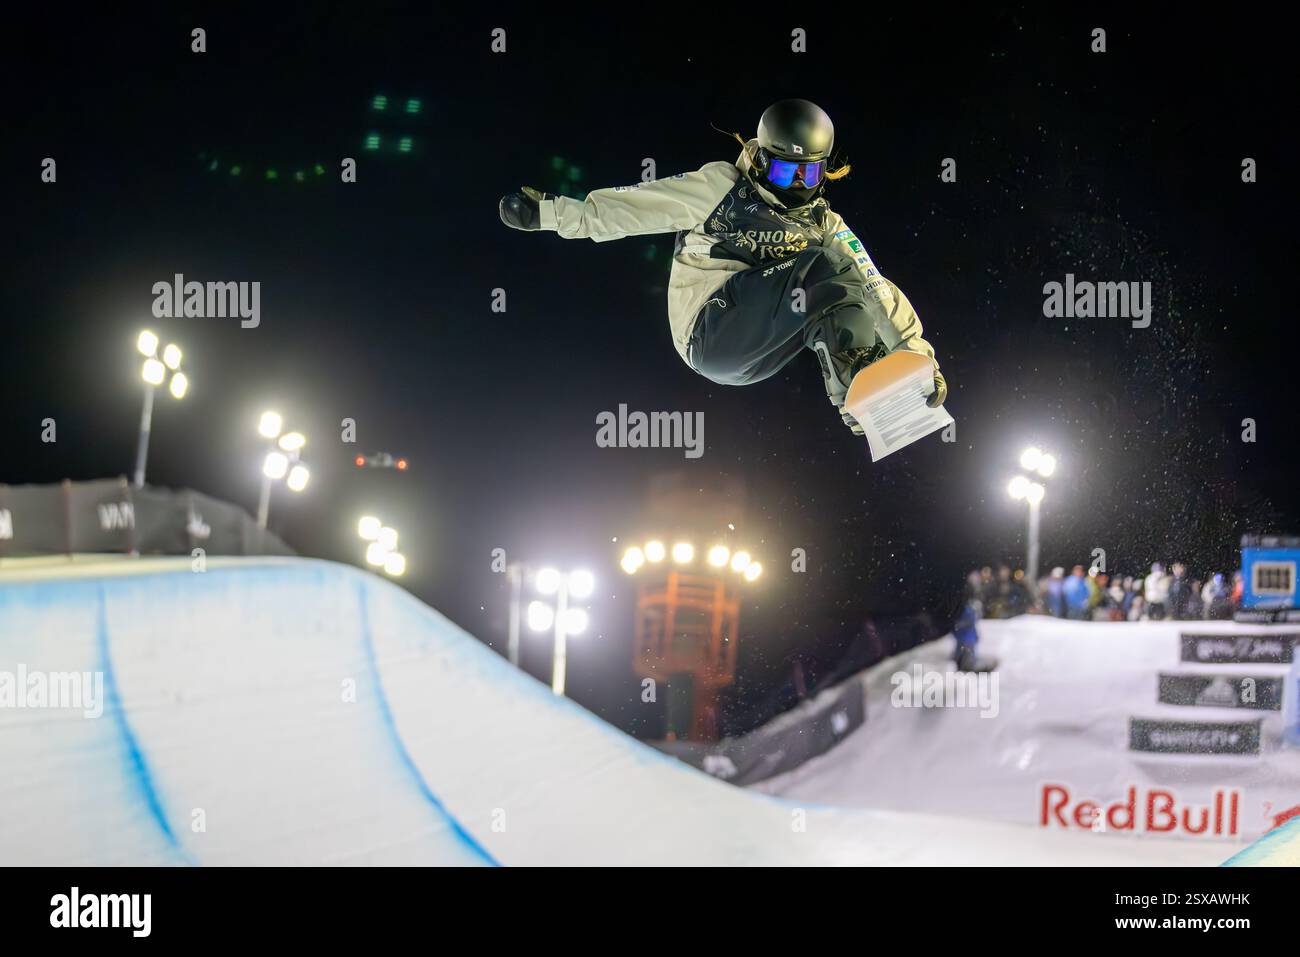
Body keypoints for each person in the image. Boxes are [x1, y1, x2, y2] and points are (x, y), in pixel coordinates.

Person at [499, 99, 948, 435]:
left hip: (752, 355)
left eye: (808, 176)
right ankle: (860, 386)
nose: (795, 186)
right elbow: (638, 207)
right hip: (708, 326)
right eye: (783, 173)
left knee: (842, 282)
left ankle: (866, 395)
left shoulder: (826, 225)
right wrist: (553, 214)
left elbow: (874, 286)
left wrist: (917, 358)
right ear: (762, 159)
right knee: (822, 268)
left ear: (824, 172)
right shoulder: (723, 187)